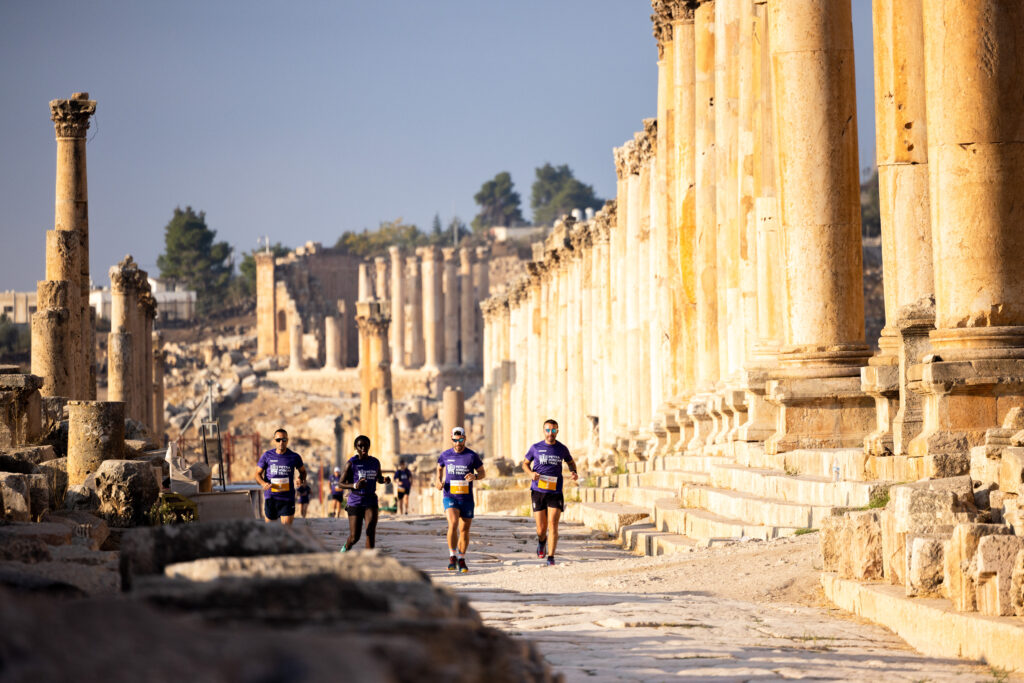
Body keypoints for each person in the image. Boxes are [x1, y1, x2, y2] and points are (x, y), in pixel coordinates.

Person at [522, 418, 578, 566]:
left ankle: (551, 557)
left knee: (553, 524)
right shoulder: (535, 447)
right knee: (541, 528)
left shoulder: (562, 449)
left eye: (553, 430)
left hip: (555, 491)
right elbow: (525, 464)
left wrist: (574, 472)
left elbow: (570, 462)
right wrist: (530, 474)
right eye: (548, 430)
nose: (550, 433)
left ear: (557, 431)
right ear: (544, 431)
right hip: (538, 490)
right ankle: (542, 541)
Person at [436, 426, 485, 573]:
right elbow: (439, 468)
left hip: (466, 497)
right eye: (455, 440)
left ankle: (462, 558)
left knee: (464, 529)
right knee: (453, 523)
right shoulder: (445, 455)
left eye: (461, 440)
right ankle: (452, 556)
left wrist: (475, 476)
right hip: (450, 495)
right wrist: (438, 481)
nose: (458, 443)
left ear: (465, 439)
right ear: (452, 440)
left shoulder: (472, 456)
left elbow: (482, 472)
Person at [338, 435, 391, 551]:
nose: (363, 448)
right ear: (355, 447)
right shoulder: (352, 463)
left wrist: (385, 480)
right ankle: (346, 548)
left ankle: (369, 560)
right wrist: (355, 485)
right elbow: (340, 483)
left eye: (365, 445)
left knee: (370, 532)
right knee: (354, 537)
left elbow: (378, 478)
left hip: (371, 500)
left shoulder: (375, 462)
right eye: (360, 446)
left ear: (369, 446)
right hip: (355, 501)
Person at [255, 428, 307, 526]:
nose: (281, 443)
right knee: (271, 532)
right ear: (274, 440)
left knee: (286, 532)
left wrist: (301, 478)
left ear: (287, 441)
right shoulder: (267, 455)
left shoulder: (294, 456)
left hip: (287, 498)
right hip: (271, 497)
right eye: (278, 440)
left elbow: (303, 472)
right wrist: (263, 483)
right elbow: (257, 474)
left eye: (284, 440)